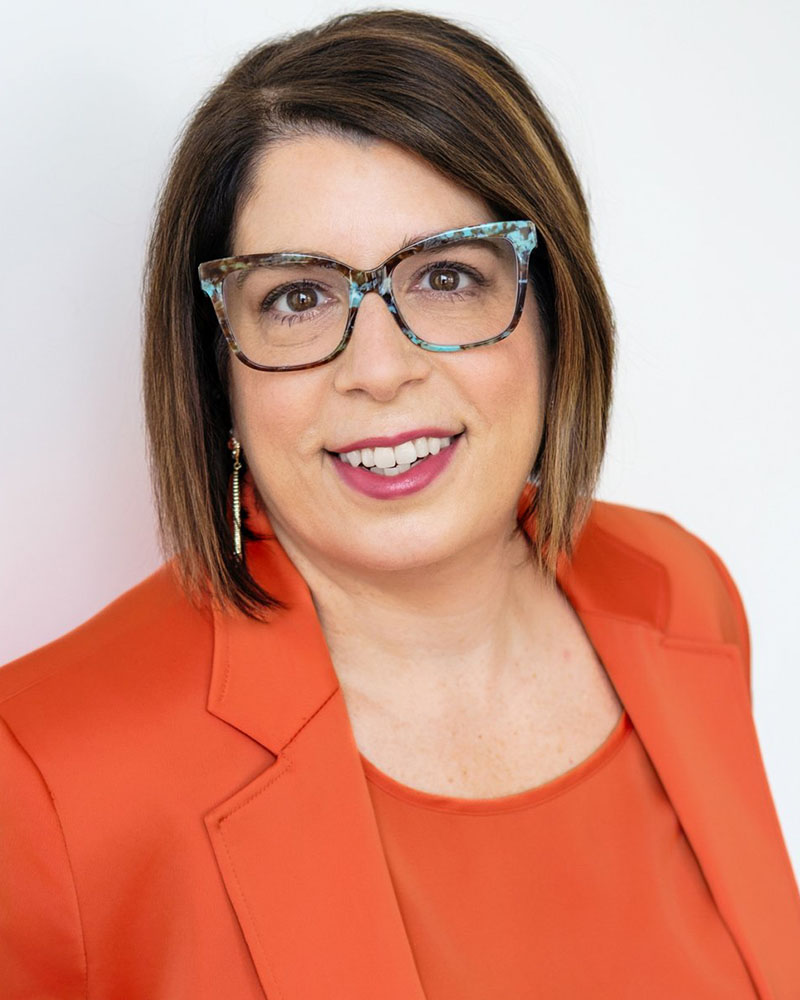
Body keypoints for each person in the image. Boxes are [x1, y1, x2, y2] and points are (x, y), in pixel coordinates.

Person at [1, 8, 798, 998]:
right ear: (220, 371)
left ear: (554, 315)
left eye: (447, 277)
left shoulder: (679, 593)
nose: (378, 370)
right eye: (297, 297)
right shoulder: (43, 771)